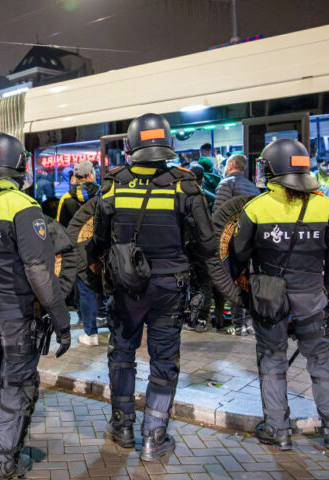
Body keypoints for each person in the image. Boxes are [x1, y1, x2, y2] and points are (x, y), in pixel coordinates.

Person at [93, 113, 215, 460]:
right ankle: (153, 437)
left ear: (130, 145)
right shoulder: (185, 184)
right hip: (169, 288)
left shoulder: (112, 183)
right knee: (163, 360)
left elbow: (99, 240)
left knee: (121, 355)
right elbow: (207, 245)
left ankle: (122, 426)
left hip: (125, 288)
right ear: (168, 144)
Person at [0, 133, 71, 480]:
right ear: (18, 165)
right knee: (16, 385)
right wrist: (61, 320)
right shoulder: (22, 206)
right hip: (15, 315)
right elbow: (39, 272)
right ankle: (0, 462)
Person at [232, 138, 329, 450]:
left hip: (270, 300)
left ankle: (277, 429)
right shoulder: (323, 205)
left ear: (270, 169)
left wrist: (244, 294)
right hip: (313, 299)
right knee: (322, 360)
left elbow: (238, 256)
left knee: (272, 361)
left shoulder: (255, 208)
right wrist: (328, 289)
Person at [212, 154, 262, 335]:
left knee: (234, 281)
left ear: (232, 165)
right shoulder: (253, 186)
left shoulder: (227, 183)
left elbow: (218, 214)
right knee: (248, 280)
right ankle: (249, 323)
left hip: (231, 241)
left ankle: (239, 324)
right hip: (251, 241)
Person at [57, 160, 101, 346]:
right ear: (91, 175)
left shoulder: (66, 199)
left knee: (85, 290)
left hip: (79, 253)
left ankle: (89, 330)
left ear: (75, 177)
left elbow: (61, 228)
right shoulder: (103, 194)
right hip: (102, 249)